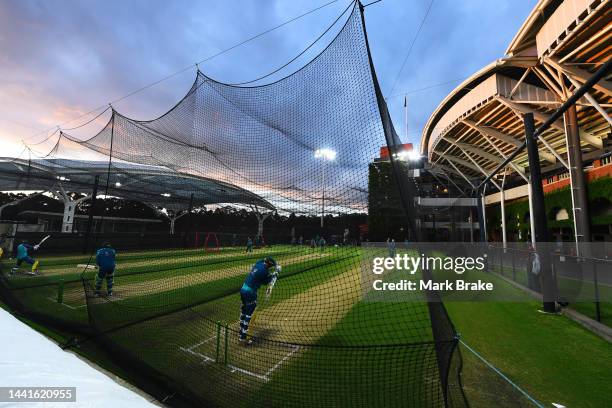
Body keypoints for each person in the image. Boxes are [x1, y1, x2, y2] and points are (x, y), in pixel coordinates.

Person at [239, 256, 281, 344]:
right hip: (250, 293)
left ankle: (240, 333)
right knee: (249, 314)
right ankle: (243, 337)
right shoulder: (264, 271)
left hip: (243, 289)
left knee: (244, 310)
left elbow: (266, 258)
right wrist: (275, 273)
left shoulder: (258, 263)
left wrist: (276, 264)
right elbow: (266, 282)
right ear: (269, 266)